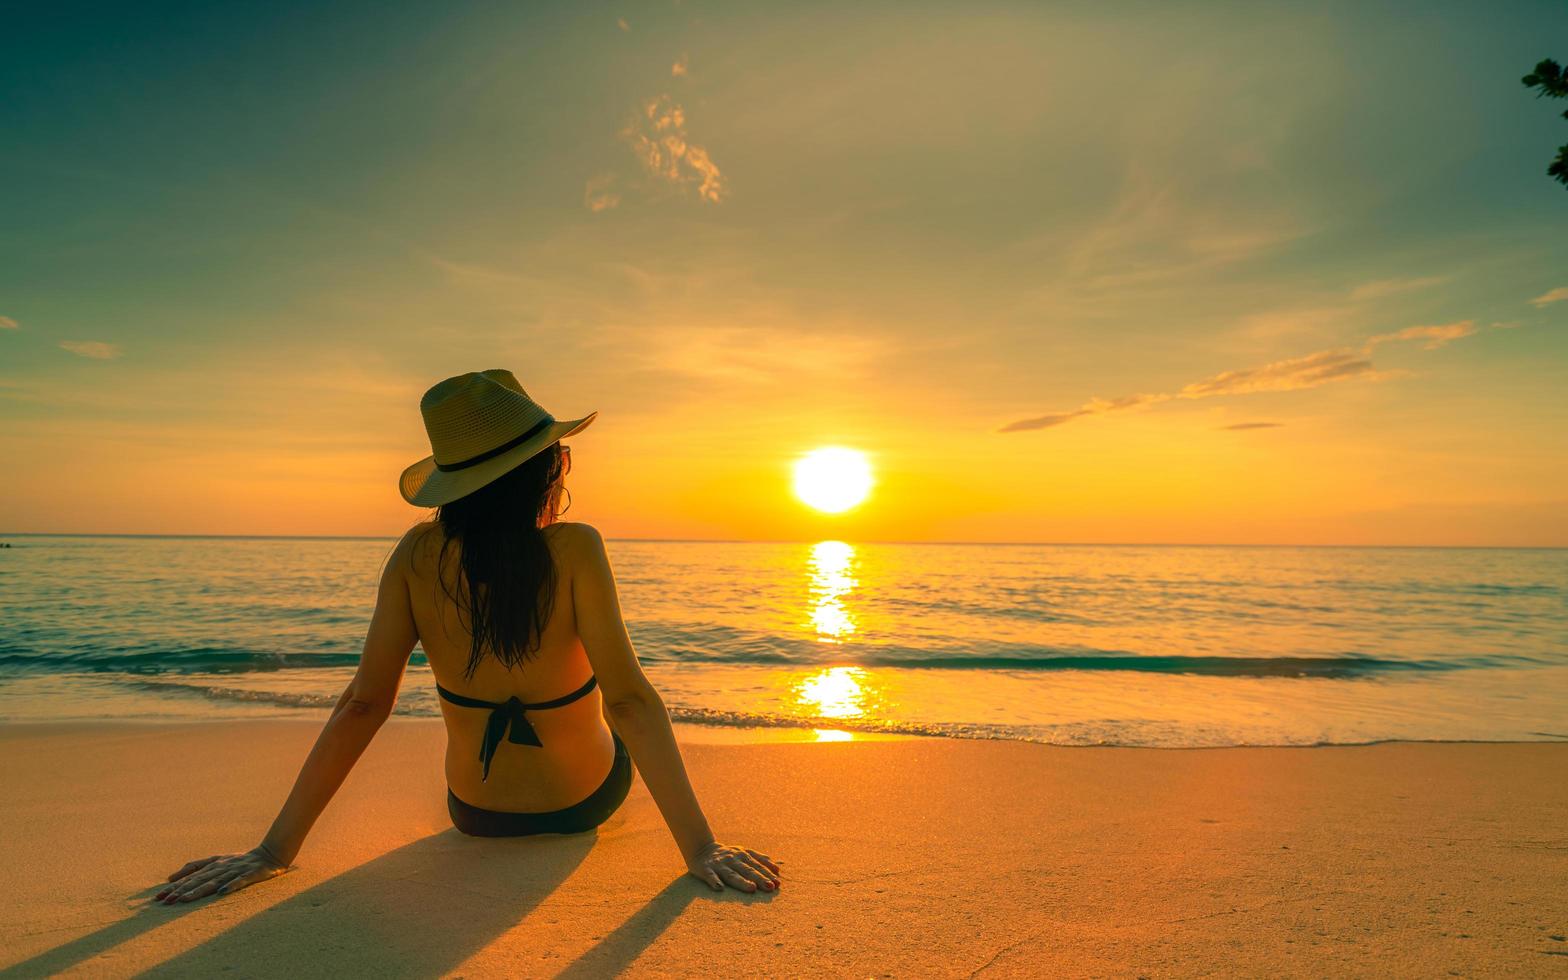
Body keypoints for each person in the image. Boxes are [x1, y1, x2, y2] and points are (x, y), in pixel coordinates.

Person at [156, 370, 781, 903]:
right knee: (608, 717)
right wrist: (701, 847)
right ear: (547, 466)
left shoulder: (415, 555)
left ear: (452, 483)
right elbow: (630, 702)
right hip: (585, 803)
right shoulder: (575, 547)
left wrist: (273, 850)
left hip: (476, 815)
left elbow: (363, 705)